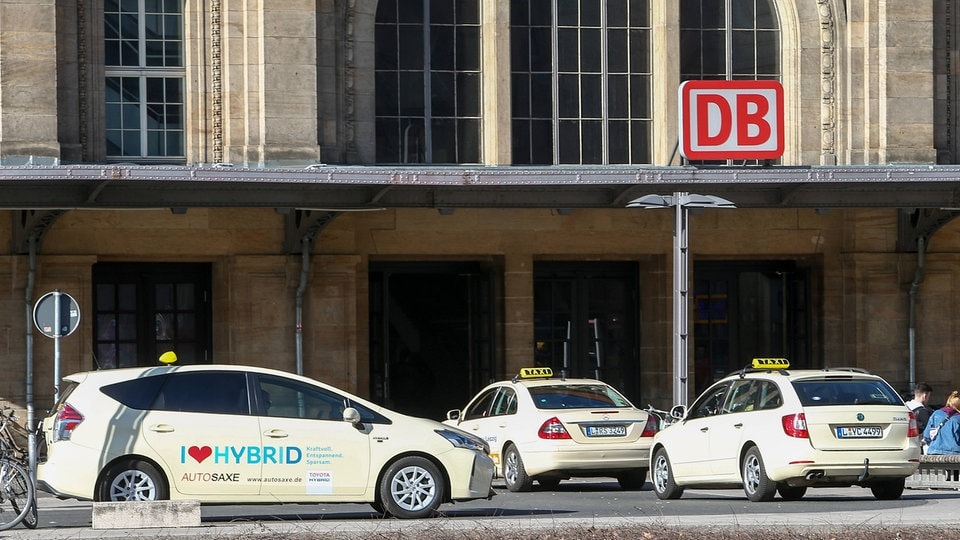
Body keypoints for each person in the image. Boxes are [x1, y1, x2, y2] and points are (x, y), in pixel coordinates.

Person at [924, 390, 960, 455]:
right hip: (955, 454)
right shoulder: (958, 418)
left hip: (934, 452)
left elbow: (927, 435)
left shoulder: (936, 414)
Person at [905, 382, 933, 447]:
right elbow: (930, 430)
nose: (928, 399)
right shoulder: (923, 411)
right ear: (925, 395)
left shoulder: (905, 406)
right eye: (929, 397)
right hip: (918, 444)